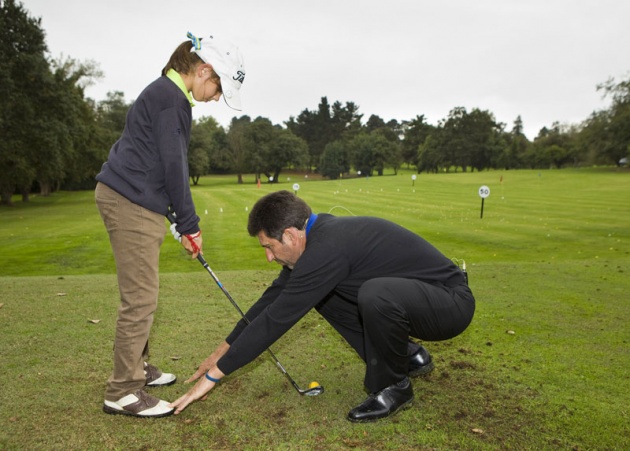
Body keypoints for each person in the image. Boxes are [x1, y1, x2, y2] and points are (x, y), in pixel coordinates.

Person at [170, 190, 475, 422]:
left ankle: (393, 386)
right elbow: (271, 301)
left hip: (449, 305)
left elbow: (276, 320)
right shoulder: (318, 236)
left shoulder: (326, 249)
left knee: (374, 294)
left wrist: (213, 378)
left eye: (269, 247)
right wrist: (222, 350)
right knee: (328, 298)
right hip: (420, 300)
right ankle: (410, 356)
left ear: (289, 236)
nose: (269, 257)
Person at [95, 31, 245, 418]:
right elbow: (176, 166)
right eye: (217, 88)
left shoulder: (168, 96)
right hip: (130, 202)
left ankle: (138, 369)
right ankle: (123, 390)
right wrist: (191, 224)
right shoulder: (170, 100)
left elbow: (163, 164)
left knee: (143, 293)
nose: (214, 97)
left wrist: (178, 220)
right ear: (203, 70)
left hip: (134, 198)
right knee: (141, 298)